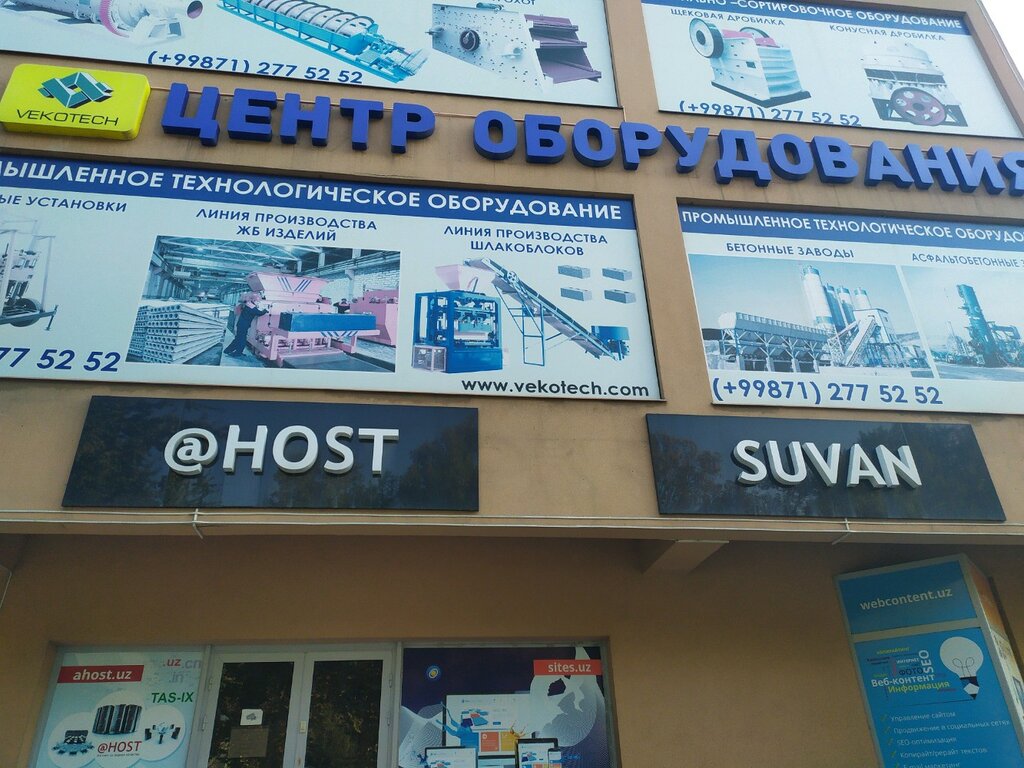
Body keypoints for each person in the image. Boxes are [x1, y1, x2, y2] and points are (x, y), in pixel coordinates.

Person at [224, 292, 267, 358]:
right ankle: (237, 353)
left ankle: (228, 351)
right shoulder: (251, 306)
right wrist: (265, 310)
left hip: (242, 325)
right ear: (253, 299)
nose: (258, 302)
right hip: (243, 325)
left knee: (238, 339)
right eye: (257, 300)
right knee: (242, 340)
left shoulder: (248, 304)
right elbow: (259, 313)